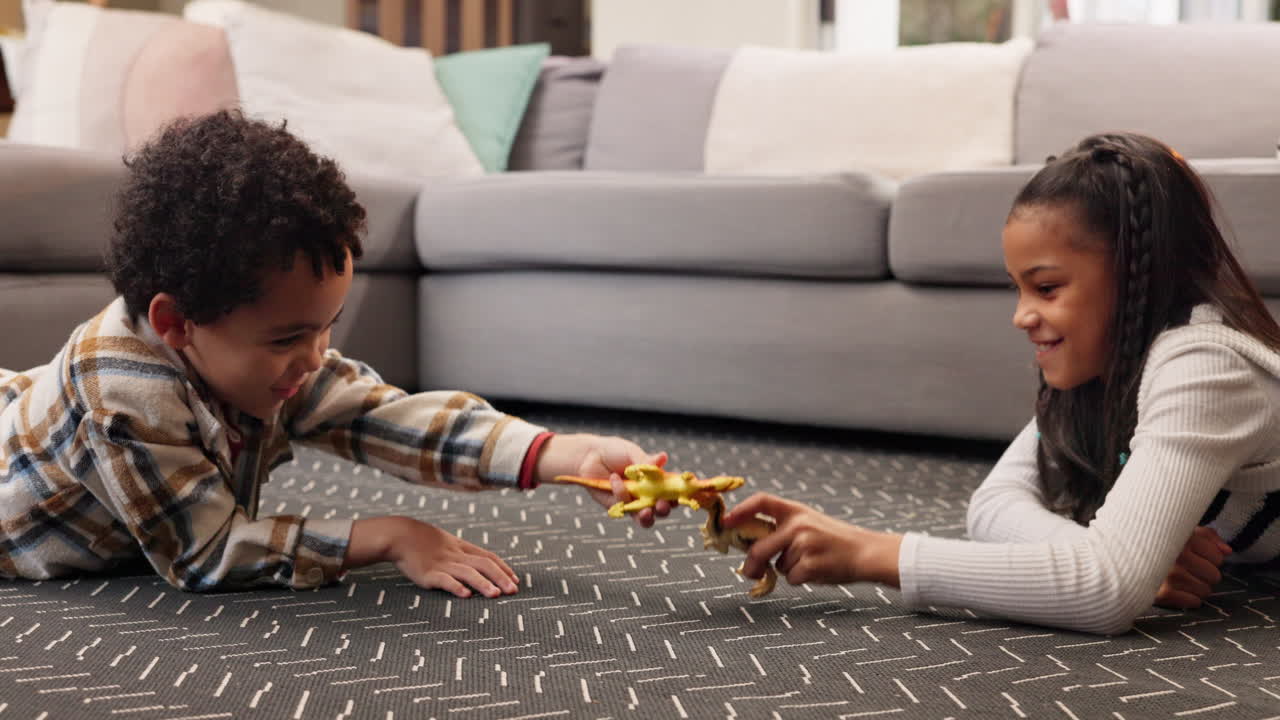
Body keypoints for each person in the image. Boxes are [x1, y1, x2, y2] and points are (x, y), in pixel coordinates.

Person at [0, 110, 669, 597]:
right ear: (176, 323)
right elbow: (207, 551)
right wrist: (387, 535)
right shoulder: (121, 399)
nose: (317, 357)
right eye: (289, 337)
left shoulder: (278, 363)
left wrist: (566, 454)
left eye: (326, 328)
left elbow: (389, 418)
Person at [724, 132, 1280, 634]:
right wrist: (1127, 559)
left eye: (1046, 288)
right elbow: (993, 505)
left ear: (1140, 276)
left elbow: (1107, 589)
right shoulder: (1099, 368)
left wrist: (873, 554)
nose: (1021, 315)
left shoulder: (1208, 368)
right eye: (1018, 289)